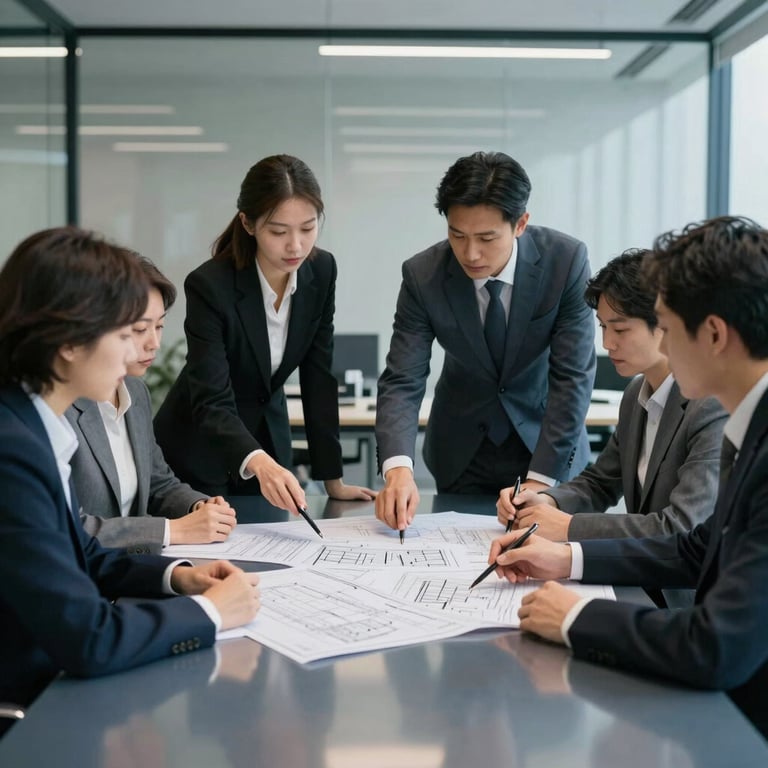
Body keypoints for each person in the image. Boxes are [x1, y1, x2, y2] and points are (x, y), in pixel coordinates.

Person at [488, 216, 768, 738]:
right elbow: (694, 549)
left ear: (711, 334)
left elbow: (717, 646)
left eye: (665, 323)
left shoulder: (737, 426)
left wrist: (574, 618)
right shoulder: (751, 423)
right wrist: (565, 557)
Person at [0, 227, 260, 730]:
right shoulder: (12, 451)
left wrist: (177, 576)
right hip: (32, 707)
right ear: (70, 341)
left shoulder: (30, 427)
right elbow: (88, 638)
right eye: (124, 334)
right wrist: (210, 614)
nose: (135, 353)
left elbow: (83, 554)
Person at [375, 151, 596, 533]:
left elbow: (572, 377)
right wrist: (397, 469)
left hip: (545, 445)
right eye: (457, 235)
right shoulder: (423, 275)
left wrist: (541, 481)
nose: (470, 253)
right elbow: (402, 379)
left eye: (487, 238)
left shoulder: (565, 262)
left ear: (521, 224)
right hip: (462, 452)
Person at [496, 249, 726, 607]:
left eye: (620, 329)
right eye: (603, 327)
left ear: (664, 323)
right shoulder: (636, 393)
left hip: (686, 601)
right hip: (637, 580)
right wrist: (544, 500)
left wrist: (568, 528)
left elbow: (680, 528)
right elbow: (601, 482)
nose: (606, 344)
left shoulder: (710, 405)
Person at [154, 154, 375, 514]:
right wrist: (258, 461)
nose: (296, 246)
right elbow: (211, 398)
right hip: (199, 449)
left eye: (308, 227)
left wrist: (332, 479)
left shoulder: (321, 271)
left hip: (269, 444)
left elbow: (318, 376)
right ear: (248, 223)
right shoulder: (211, 285)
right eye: (278, 231)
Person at [67, 256, 237, 554]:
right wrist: (173, 530)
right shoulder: (59, 408)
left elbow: (158, 482)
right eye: (139, 329)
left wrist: (199, 507)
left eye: (158, 327)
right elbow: (69, 528)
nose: (154, 343)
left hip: (131, 571)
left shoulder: (135, 391)